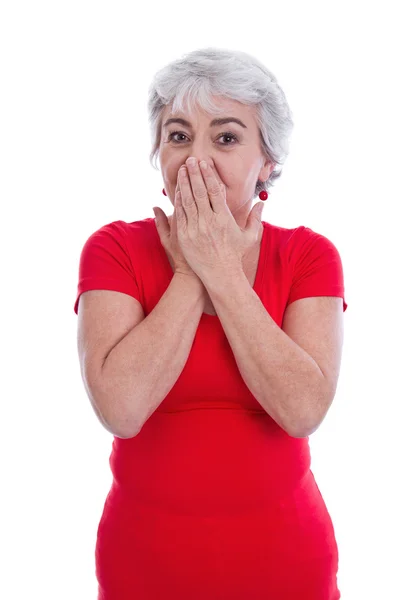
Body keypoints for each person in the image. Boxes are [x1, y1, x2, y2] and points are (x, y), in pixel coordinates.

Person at [74, 47, 347, 600]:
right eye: (178, 137)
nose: (196, 159)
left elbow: (302, 410)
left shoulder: (310, 256)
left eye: (225, 138)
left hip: (287, 568)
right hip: (144, 570)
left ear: (267, 160)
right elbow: (122, 411)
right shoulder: (114, 249)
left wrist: (222, 272)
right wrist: (192, 271)